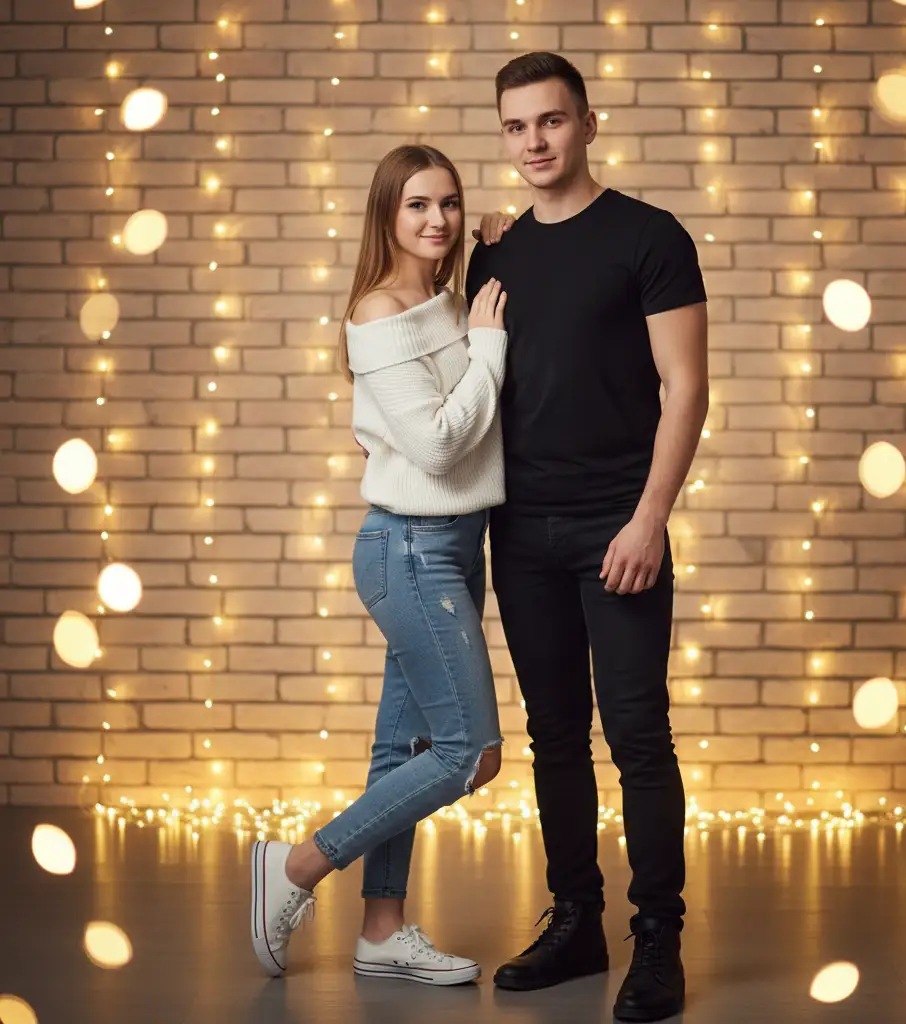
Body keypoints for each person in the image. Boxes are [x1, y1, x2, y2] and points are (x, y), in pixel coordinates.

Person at [466, 53, 709, 1023]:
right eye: (517, 127)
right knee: (554, 736)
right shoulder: (496, 255)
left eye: (551, 122)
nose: (534, 142)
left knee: (638, 736)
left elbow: (685, 387)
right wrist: (487, 240)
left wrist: (649, 516)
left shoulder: (649, 238)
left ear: (588, 123)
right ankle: (575, 919)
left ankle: (658, 940)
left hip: (619, 525)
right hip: (518, 532)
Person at [250, 144, 510, 986]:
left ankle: (381, 931)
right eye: (418, 207)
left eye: (451, 203)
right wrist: (490, 348)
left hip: (456, 547)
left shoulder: (441, 299)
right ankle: (295, 869)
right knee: (468, 753)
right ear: (387, 217)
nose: (439, 220)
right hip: (410, 549)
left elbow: (460, 371)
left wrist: (500, 250)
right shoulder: (377, 313)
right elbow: (438, 444)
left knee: (405, 752)